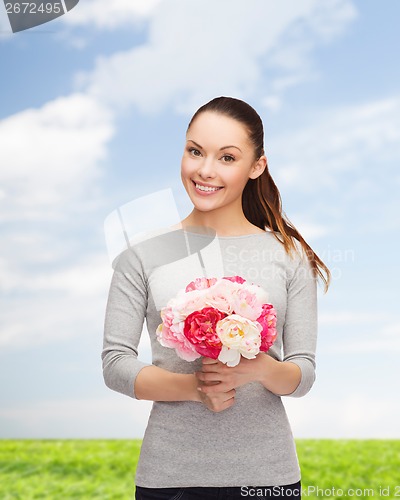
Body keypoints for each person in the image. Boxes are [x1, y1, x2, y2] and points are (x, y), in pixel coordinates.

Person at [102, 96, 331, 500]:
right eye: (195, 152)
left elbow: (304, 372)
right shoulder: (141, 253)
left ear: (256, 166)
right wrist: (194, 388)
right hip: (169, 476)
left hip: (267, 477)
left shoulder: (289, 255)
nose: (205, 170)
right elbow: (115, 363)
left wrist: (259, 369)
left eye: (227, 158)